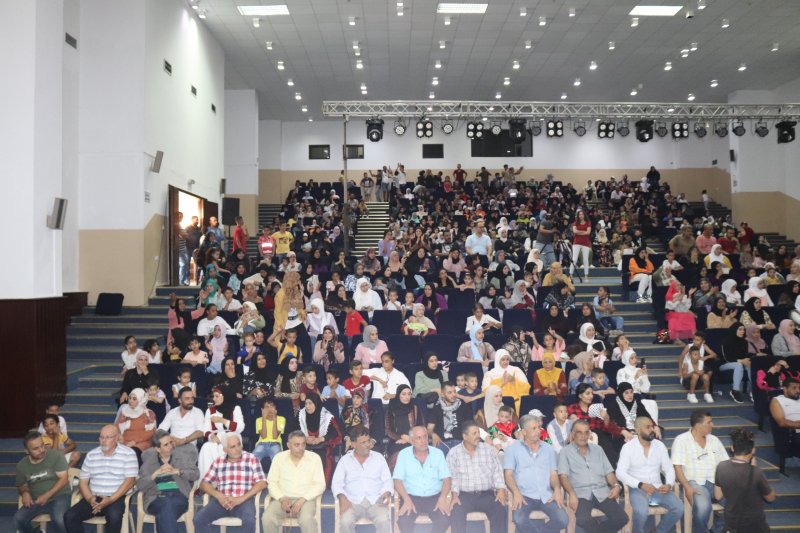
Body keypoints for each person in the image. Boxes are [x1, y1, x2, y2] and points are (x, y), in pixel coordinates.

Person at [557, 420, 628, 533]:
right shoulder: (565, 452)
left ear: (589, 434)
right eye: (579, 432)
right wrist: (571, 494)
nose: (583, 436)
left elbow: (609, 472)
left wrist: (615, 485)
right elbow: (563, 476)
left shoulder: (598, 449)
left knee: (622, 518)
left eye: (586, 432)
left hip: (602, 492)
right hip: (580, 494)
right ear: (573, 434)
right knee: (582, 519)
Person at [64, 425, 138, 533]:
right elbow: (83, 482)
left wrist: (110, 500)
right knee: (70, 516)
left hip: (116, 497)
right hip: (94, 498)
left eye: (108, 437)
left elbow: (130, 482)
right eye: (101, 437)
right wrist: (90, 498)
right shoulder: (91, 455)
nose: (103, 441)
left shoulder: (128, 454)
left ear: (117, 438)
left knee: (114, 516)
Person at [615, 417, 683, 533]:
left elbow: (668, 468)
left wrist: (669, 484)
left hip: (658, 488)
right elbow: (620, 472)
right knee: (641, 512)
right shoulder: (628, 448)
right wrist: (640, 484)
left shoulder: (659, 446)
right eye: (648, 427)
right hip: (637, 489)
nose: (652, 429)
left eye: (652, 426)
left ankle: (658, 531)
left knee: (679, 507)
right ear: (638, 430)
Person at [503, 414, 569, 533]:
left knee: (563, 519)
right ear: (524, 432)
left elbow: (553, 474)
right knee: (519, 519)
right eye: (534, 428)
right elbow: (508, 475)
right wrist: (516, 492)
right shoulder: (513, 449)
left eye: (539, 427)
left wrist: (557, 490)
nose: (538, 431)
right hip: (523, 495)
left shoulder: (548, 449)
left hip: (546, 495)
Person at [194, 432, 266, 533]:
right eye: (233, 447)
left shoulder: (251, 459)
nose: (238, 449)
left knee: (249, 521)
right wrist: (218, 495)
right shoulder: (218, 461)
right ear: (225, 450)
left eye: (239, 444)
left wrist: (241, 499)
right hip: (221, 501)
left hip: (243, 500)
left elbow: (262, 483)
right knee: (199, 519)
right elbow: (204, 484)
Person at [671, 410, 729, 533]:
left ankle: (716, 530)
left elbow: (725, 463)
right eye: (709, 422)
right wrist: (686, 486)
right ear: (698, 425)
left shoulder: (714, 440)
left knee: (737, 502)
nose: (712, 425)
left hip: (716, 483)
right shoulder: (681, 440)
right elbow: (677, 467)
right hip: (694, 483)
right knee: (703, 507)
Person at [446, 421, 508, 533]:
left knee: (500, 510)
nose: (478, 436)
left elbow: (497, 471)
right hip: (464, 496)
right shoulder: (454, 453)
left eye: (478, 432)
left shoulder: (488, 449)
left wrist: (501, 490)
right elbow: (452, 477)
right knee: (456, 511)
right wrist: (454, 495)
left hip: (486, 495)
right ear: (465, 436)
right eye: (474, 433)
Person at [331, 427, 393, 533]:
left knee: (383, 520)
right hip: (352, 502)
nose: (368, 444)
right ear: (353, 444)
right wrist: (342, 498)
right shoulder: (344, 460)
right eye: (363, 442)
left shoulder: (379, 458)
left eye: (368, 441)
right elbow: (336, 484)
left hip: (375, 501)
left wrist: (386, 493)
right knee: (345, 521)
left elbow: (388, 481)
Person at [392, 425, 453, 532]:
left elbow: (447, 479)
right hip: (411, 497)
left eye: (425, 436)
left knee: (444, 520)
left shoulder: (438, 454)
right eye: (418, 438)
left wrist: (442, 498)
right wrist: (406, 499)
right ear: (411, 441)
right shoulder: (403, 454)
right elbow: (397, 480)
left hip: (434, 497)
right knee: (404, 521)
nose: (423, 441)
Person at [136, 430, 199, 533]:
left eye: (171, 442)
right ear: (157, 449)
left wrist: (178, 471)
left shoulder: (182, 458)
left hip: (179, 496)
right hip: (156, 498)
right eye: (166, 445)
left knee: (165, 509)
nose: (170, 446)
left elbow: (196, 474)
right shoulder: (149, 462)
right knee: (166, 505)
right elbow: (140, 485)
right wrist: (154, 475)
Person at [264, 431, 326, 533]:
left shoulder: (314, 458)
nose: (301, 448)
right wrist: (281, 498)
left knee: (306, 519)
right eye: (297, 445)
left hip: (306, 500)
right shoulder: (279, 458)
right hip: (283, 499)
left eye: (303, 444)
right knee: (268, 518)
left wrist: (303, 499)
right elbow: (272, 482)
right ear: (288, 445)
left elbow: (320, 484)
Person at [715, 429, 775, 533]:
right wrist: (754, 469)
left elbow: (718, 496)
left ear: (732, 448)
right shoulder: (756, 472)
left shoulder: (721, 467)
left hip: (732, 524)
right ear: (753, 450)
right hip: (754, 525)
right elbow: (771, 498)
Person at [15, 431, 71, 533]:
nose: (41, 450)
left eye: (42, 445)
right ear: (27, 451)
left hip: (60, 495)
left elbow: (64, 479)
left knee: (58, 519)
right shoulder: (21, 466)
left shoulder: (56, 455)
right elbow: (21, 485)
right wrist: (25, 492)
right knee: (19, 519)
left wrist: (46, 495)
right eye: (36, 448)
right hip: (36, 499)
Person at [296, 393, 342, 486]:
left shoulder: (326, 416)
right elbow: (292, 431)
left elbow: (335, 433)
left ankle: (322, 485)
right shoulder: (301, 415)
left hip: (322, 446)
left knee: (323, 456)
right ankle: (303, 485)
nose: (307, 406)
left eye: (310, 403)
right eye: (306, 403)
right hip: (304, 445)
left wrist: (321, 438)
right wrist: (305, 438)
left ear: (316, 404)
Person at [198, 387, 245, 478]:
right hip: (217, 438)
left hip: (233, 436)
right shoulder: (210, 410)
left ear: (225, 396)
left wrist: (222, 420)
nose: (214, 399)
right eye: (213, 396)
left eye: (217, 396)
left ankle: (224, 479)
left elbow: (240, 427)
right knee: (206, 447)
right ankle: (207, 479)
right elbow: (206, 429)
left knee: (222, 449)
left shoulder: (235, 408)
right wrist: (211, 436)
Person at [426, 381, 472, 453]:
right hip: (442, 443)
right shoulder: (437, 408)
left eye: (454, 392)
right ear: (442, 394)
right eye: (449, 392)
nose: (453, 394)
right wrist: (433, 434)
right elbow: (429, 428)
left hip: (460, 442)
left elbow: (471, 426)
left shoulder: (463, 406)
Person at [157, 386, 204, 456]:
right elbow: (161, 429)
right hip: (171, 444)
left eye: (192, 398)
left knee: (177, 454)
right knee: (148, 453)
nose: (191, 401)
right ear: (179, 400)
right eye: (187, 398)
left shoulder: (198, 412)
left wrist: (183, 440)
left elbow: (200, 432)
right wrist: (169, 440)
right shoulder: (172, 412)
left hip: (188, 445)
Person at [385, 384, 424, 464]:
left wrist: (410, 439)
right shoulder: (391, 409)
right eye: (404, 394)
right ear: (398, 395)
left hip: (414, 440)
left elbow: (421, 427)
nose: (407, 397)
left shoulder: (415, 408)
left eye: (409, 394)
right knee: (398, 457)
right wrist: (402, 437)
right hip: (396, 440)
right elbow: (388, 430)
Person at [720, 322, 751, 403]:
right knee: (739, 365)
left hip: (739, 363)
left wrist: (747, 360)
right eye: (740, 329)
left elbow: (745, 355)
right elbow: (726, 358)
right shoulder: (726, 341)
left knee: (750, 365)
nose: (742, 331)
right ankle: (735, 390)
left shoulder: (744, 342)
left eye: (743, 330)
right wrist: (741, 361)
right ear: (734, 330)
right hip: (724, 364)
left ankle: (754, 390)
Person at [769, 377, 800, 451]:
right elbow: (782, 423)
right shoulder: (777, 400)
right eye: (794, 388)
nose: (798, 390)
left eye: (799, 388)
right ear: (785, 389)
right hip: (794, 434)